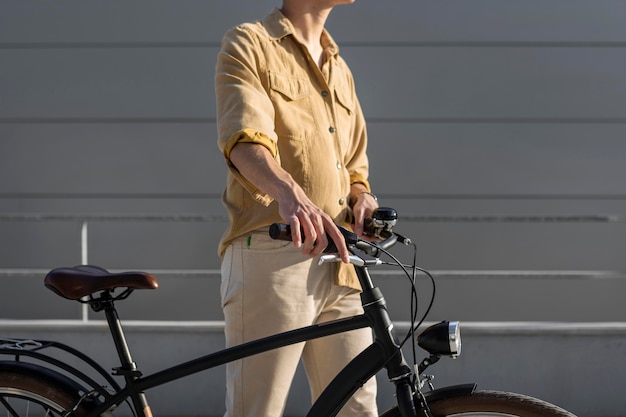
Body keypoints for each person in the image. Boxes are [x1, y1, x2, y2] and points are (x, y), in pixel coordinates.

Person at [215, 1, 379, 416]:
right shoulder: (250, 43)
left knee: (357, 409)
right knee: (258, 410)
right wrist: (291, 194)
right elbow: (243, 142)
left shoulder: (339, 67)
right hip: (274, 255)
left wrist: (362, 197)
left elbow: (354, 166)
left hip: (340, 263)